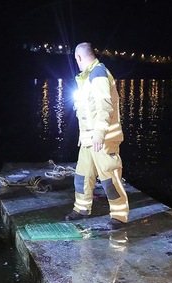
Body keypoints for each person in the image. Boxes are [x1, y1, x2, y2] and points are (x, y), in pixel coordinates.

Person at [65, 42, 129, 230]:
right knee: (82, 176)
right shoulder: (87, 77)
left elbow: (105, 107)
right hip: (88, 140)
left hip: (103, 139)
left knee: (109, 179)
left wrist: (99, 135)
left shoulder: (98, 74)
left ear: (78, 57)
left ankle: (119, 215)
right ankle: (82, 209)